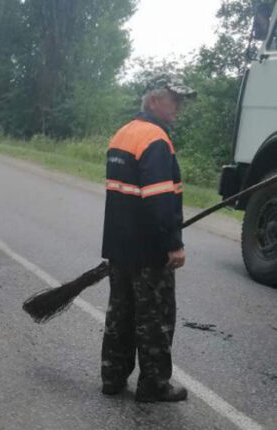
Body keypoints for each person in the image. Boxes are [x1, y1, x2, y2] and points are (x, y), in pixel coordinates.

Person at [100, 77, 196, 402]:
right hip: (148, 249)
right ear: (154, 101)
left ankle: (112, 376)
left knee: (120, 313)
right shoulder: (155, 139)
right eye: (175, 100)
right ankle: (154, 385)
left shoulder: (123, 134)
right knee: (154, 317)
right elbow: (158, 198)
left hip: (119, 246)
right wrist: (173, 243)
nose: (179, 108)